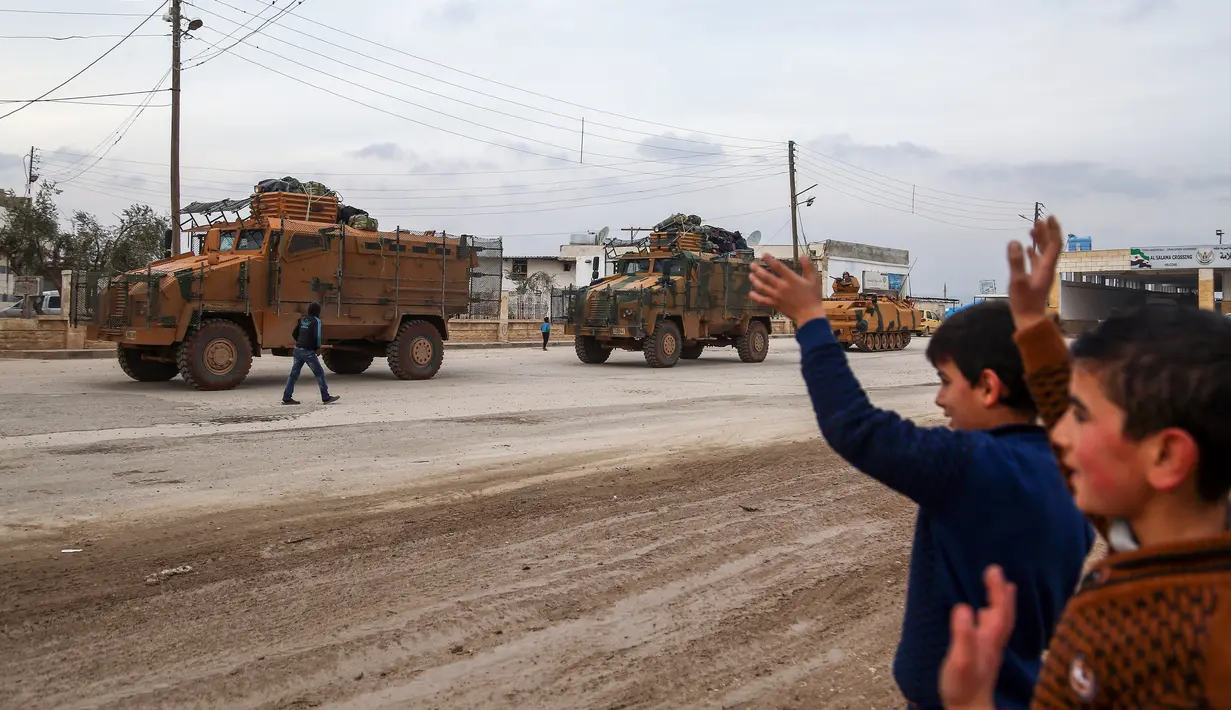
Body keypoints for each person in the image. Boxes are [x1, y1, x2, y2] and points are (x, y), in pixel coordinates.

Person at [749, 253, 1094, 710]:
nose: (940, 398)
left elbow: (856, 427)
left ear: (989, 387)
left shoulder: (971, 465)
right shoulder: (1076, 475)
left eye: (947, 382)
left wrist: (812, 319)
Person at [939, 217, 1231, 710]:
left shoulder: (1154, 637)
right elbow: (1068, 408)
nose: (1058, 433)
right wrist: (1032, 324)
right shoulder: (1157, 528)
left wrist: (972, 703)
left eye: (1080, 416)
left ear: (1165, 455)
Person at [282, 302, 340, 405]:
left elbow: (294, 334)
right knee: (319, 373)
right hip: (308, 351)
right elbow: (317, 336)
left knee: (294, 374)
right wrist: (316, 348)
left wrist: (300, 342)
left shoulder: (302, 319)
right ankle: (326, 397)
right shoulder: (316, 321)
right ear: (318, 311)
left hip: (298, 350)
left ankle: (287, 397)